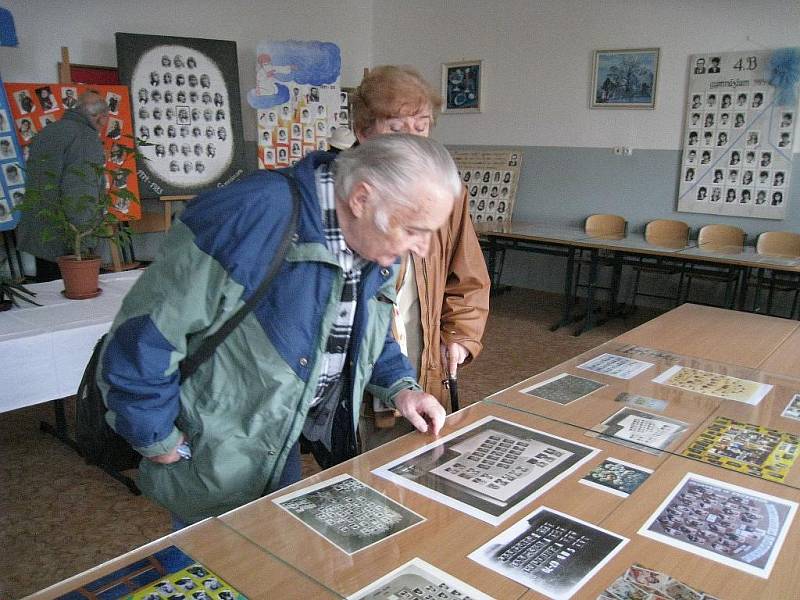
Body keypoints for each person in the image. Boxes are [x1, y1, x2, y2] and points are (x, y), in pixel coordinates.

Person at [97, 135, 457, 525]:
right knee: (218, 567)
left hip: (283, 432)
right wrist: (157, 440)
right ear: (362, 199)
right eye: (414, 230)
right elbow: (145, 335)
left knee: (274, 554)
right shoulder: (249, 211)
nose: (422, 249)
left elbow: (366, 328)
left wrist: (401, 386)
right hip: (217, 442)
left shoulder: (375, 241)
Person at [351, 65, 490, 448]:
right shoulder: (347, 195)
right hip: (362, 364)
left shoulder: (446, 191)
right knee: (362, 462)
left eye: (422, 126)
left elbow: (470, 276)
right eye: (396, 128)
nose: (412, 140)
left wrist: (461, 336)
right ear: (364, 132)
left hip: (423, 354)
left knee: (423, 452)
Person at [16, 92, 109, 282]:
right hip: (67, 239)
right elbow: (81, 191)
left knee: (49, 298)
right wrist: (83, 238)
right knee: (77, 301)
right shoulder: (85, 138)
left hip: (39, 231)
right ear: (100, 116)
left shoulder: (46, 132)